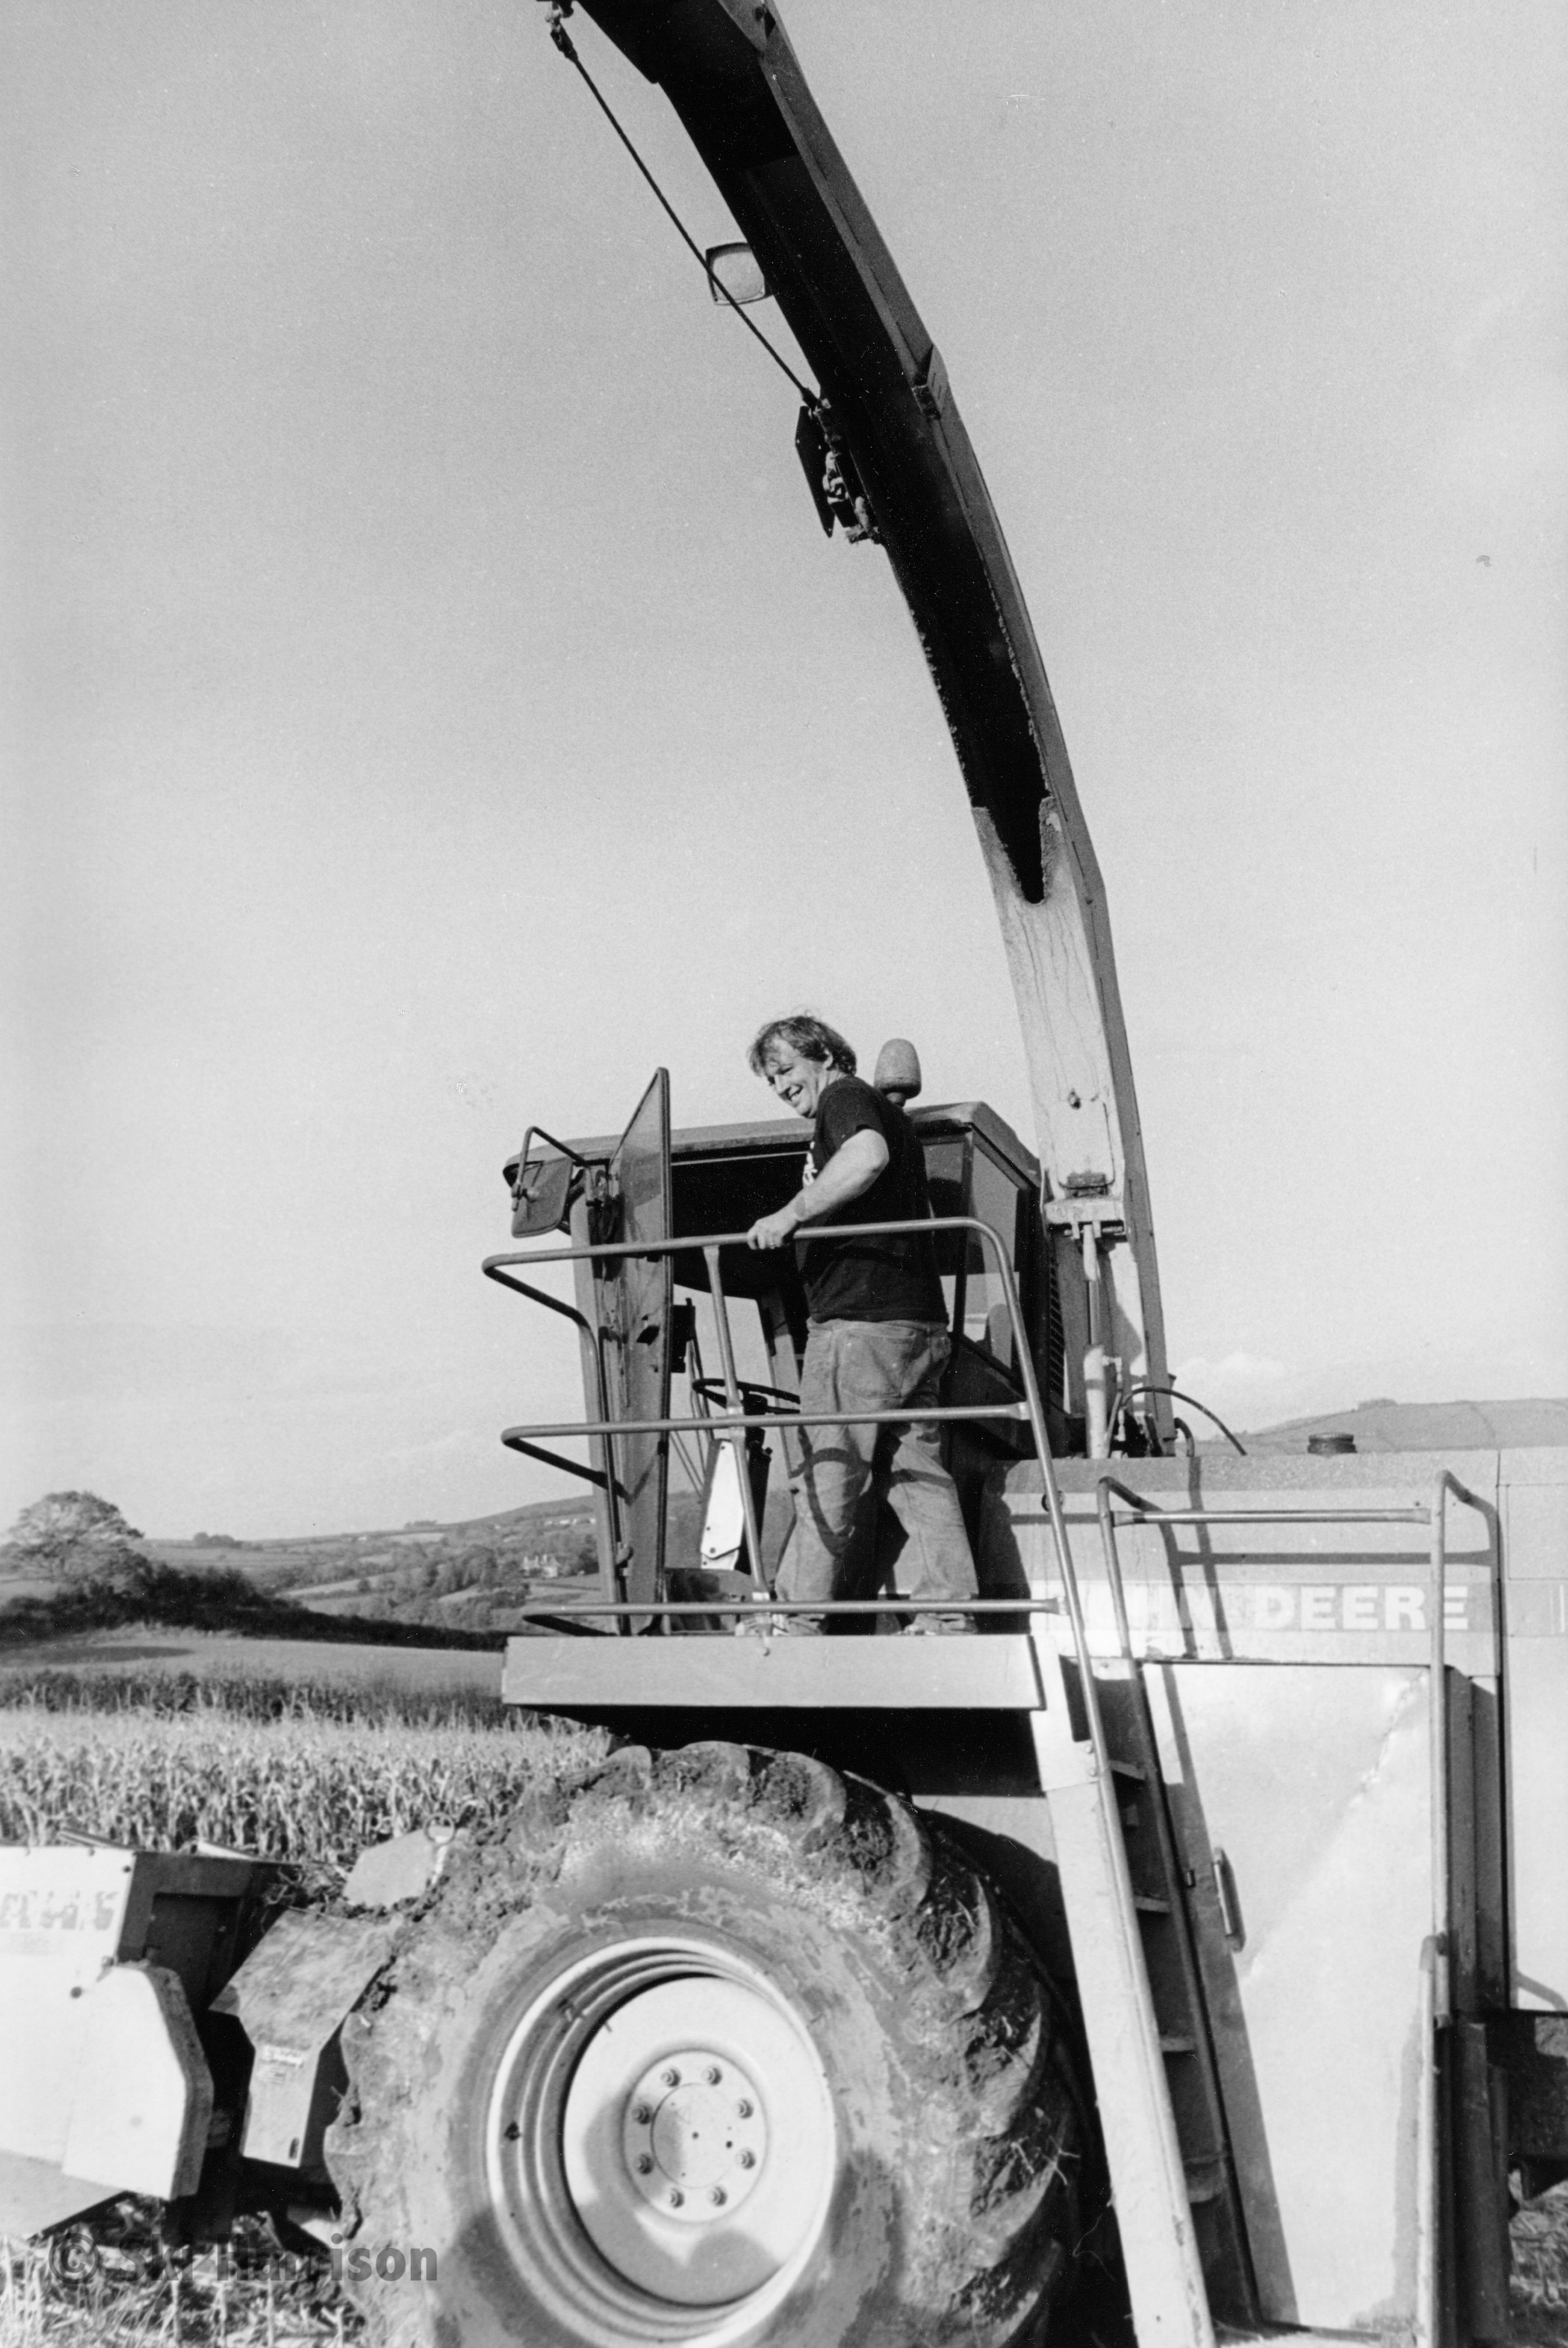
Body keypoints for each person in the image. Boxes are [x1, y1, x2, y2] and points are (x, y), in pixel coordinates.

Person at [744, 1014, 977, 1633]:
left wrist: (790, 1213)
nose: (779, 1086)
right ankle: (949, 1616)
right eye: (770, 1079)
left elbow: (866, 1156)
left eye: (786, 1069)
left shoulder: (846, 1099)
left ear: (822, 1054)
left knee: (829, 1466)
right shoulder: (891, 1116)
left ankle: (793, 1622)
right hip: (916, 1328)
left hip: (857, 1327)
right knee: (919, 1476)